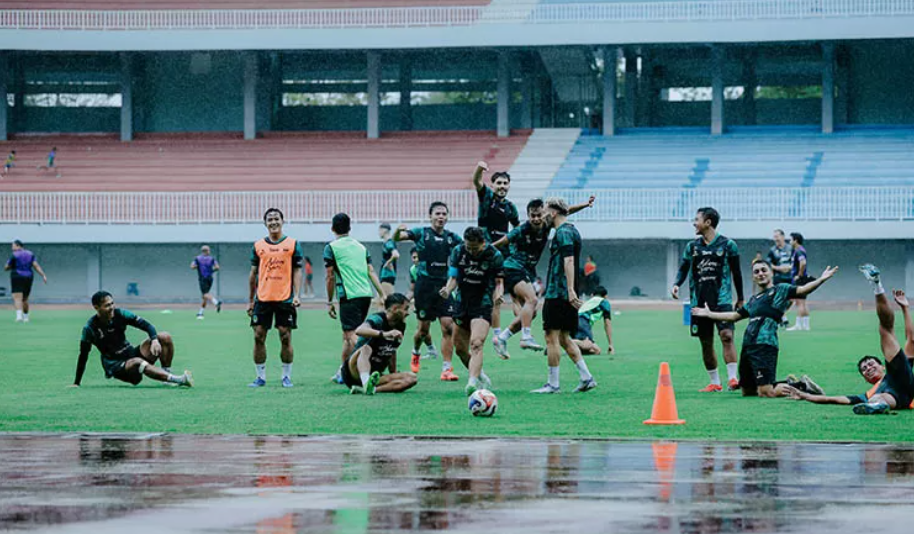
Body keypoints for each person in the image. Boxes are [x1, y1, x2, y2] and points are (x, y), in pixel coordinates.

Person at [692, 260, 837, 397]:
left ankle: (802, 386)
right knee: (747, 391)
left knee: (766, 392)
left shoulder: (781, 290)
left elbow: (804, 289)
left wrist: (821, 279)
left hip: (765, 345)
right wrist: (709, 314)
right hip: (748, 346)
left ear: (771, 273)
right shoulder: (754, 300)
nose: (760, 273)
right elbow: (734, 316)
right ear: (753, 278)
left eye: (763, 270)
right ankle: (788, 384)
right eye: (756, 272)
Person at [784, 266, 914, 415]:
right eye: (864, 369)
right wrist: (804, 395)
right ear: (865, 379)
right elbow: (834, 399)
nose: (868, 368)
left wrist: (905, 308)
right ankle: (877, 406)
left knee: (885, 329)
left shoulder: (899, 369)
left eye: (870, 364)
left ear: (882, 366)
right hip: (895, 400)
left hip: (903, 382)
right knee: (876, 398)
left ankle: (876, 284)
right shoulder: (868, 393)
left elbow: (912, 340)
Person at [492, 196, 595, 357]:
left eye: (539, 215)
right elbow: (503, 241)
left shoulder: (547, 225)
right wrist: (485, 250)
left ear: (545, 214)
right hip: (512, 268)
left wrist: (585, 205)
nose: (536, 219)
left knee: (530, 312)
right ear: (528, 216)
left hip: (526, 271)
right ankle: (526, 337)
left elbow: (565, 211)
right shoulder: (522, 229)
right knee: (532, 300)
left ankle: (502, 338)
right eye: (532, 216)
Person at [671, 207, 744, 392]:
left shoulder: (728, 245)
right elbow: (683, 268)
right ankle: (715, 382)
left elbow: (737, 273)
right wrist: (677, 284)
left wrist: (741, 298)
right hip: (699, 300)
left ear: (708, 222)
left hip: (722, 300)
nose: (694, 223)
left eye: (697, 219)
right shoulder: (692, 247)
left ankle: (733, 379)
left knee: (727, 336)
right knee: (706, 341)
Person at [531, 197, 597, 394]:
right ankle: (586, 377)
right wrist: (584, 205)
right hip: (564, 293)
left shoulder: (563, 233)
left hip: (558, 293)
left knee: (551, 336)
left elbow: (568, 261)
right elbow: (564, 212)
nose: (541, 217)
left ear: (552, 213)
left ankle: (553, 384)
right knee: (564, 338)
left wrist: (570, 290)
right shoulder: (571, 229)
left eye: (543, 213)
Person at [394, 201, 463, 381]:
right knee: (423, 331)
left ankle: (447, 369)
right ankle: (416, 351)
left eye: (444, 214)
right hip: (424, 287)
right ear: (430, 216)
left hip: (444, 287)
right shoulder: (421, 233)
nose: (441, 217)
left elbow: (466, 248)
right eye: (437, 213)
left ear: (448, 217)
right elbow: (398, 238)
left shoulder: (452, 238)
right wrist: (397, 231)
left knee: (448, 326)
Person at [71, 291, 193, 388]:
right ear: (96, 307)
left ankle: (166, 378)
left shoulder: (121, 314)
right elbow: (83, 355)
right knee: (137, 362)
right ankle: (178, 380)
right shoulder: (89, 328)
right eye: (107, 305)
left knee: (164, 337)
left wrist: (155, 340)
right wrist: (77, 382)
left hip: (131, 354)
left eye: (112, 303)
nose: (112, 307)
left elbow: (147, 326)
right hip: (117, 366)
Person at [440, 227, 504, 396]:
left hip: (482, 303)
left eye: (474, 248)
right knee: (460, 348)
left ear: (483, 243)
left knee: (476, 343)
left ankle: (472, 383)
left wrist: (499, 294)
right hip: (462, 303)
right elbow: (453, 278)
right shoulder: (458, 251)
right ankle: (480, 374)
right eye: (468, 247)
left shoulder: (494, 255)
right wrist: (447, 290)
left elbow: (499, 281)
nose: (471, 251)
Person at [325, 213, 385, 385]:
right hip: (365, 294)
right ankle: (342, 372)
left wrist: (329, 301)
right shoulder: (361, 247)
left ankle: (372, 366)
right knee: (347, 337)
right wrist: (381, 293)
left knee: (353, 335)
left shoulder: (331, 247)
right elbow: (371, 271)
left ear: (332, 228)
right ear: (350, 228)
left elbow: (329, 276)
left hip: (349, 296)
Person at [247, 208, 303, 388]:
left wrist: (297, 294)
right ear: (265, 223)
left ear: (282, 221)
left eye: (276, 219)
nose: (273, 222)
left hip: (285, 299)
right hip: (262, 298)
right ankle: (260, 377)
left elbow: (297, 270)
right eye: (269, 219)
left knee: (285, 336)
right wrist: (250, 300)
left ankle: (286, 376)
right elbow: (253, 273)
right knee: (258, 336)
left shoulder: (293, 244)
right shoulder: (258, 246)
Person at [472, 161, 519, 347]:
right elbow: (476, 181)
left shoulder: (511, 207)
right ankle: (495, 334)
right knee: (489, 295)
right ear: (492, 185)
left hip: (504, 253)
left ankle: (520, 332)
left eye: (505, 183)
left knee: (513, 294)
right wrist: (479, 169)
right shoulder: (487, 197)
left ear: (509, 186)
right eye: (498, 183)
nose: (502, 186)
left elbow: (517, 229)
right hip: (484, 252)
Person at [343, 293, 418, 395]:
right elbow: (360, 330)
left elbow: (391, 350)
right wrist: (383, 334)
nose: (408, 313)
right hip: (354, 371)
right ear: (395, 308)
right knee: (366, 348)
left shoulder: (401, 325)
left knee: (412, 378)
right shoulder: (378, 319)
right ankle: (365, 382)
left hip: (375, 374)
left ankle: (369, 389)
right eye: (405, 309)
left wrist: (393, 373)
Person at [406, 246, 438, 359]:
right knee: (423, 330)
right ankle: (425, 350)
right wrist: (404, 302)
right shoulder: (413, 270)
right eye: (414, 257)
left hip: (439, 299)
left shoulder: (433, 267)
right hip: (424, 302)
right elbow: (412, 289)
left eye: (418, 257)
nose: (416, 260)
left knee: (448, 327)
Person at [5, 240, 48, 323]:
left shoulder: (14, 255)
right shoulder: (30, 254)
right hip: (28, 277)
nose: (12, 247)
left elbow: (6, 267)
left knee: (17, 297)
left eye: (13, 245)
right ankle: (26, 317)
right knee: (25, 298)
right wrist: (43, 275)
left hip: (17, 276)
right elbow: (36, 265)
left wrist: (10, 267)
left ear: (18, 246)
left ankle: (19, 317)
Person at [573, 286, 614, 356]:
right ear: (605, 296)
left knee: (596, 351)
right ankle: (561, 341)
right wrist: (610, 344)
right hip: (583, 322)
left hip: (573, 321)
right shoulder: (604, 302)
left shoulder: (588, 302)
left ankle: (567, 347)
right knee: (588, 345)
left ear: (592, 295)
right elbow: (607, 325)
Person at [786, 232, 813, 331]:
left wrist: (799, 275)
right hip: (802, 279)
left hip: (800, 280)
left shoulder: (799, 251)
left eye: (790, 239)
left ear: (795, 240)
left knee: (799, 302)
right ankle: (806, 325)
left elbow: (803, 263)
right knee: (803, 303)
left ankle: (798, 325)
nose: (789, 241)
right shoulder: (799, 250)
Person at [191, 244, 221, 319]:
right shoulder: (211, 259)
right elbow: (217, 267)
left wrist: (198, 267)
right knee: (205, 297)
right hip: (210, 278)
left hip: (202, 278)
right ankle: (200, 313)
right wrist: (211, 271)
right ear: (207, 251)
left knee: (205, 294)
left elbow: (192, 266)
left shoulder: (197, 259)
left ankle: (216, 302)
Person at [379, 223, 399, 298]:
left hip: (387, 275)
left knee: (386, 301)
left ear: (384, 230)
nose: (379, 232)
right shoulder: (387, 243)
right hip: (386, 275)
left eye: (380, 230)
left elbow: (396, 254)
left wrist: (388, 262)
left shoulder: (389, 243)